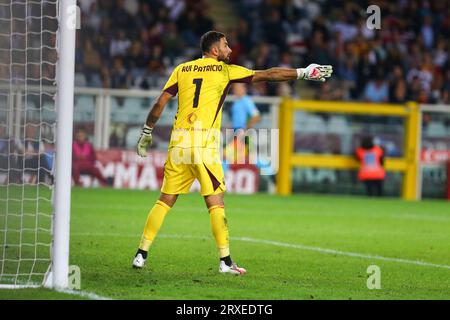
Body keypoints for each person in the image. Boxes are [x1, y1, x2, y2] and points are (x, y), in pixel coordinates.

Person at [132, 31, 333, 274]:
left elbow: (161, 102)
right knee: (215, 202)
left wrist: (147, 131)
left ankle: (141, 254)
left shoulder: (182, 69)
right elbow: (269, 75)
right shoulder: (224, 71)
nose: (229, 49)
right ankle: (225, 262)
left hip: (179, 142)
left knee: (165, 199)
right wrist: (303, 72)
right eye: (226, 45)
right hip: (203, 143)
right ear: (214, 50)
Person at [228, 83, 260, 164]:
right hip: (236, 131)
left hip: (242, 132)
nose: (235, 91)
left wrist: (245, 128)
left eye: (237, 88)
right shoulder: (237, 101)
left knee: (237, 156)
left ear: (243, 89)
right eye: (234, 89)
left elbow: (256, 116)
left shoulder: (246, 101)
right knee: (237, 157)